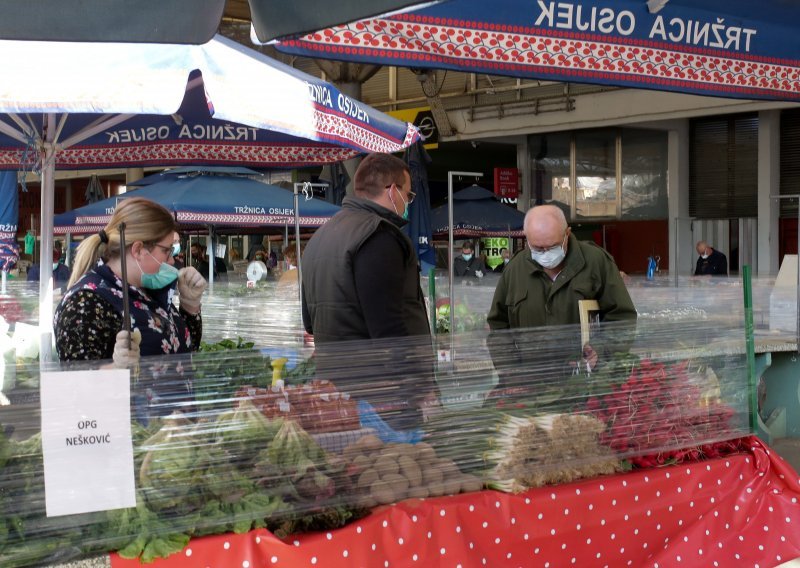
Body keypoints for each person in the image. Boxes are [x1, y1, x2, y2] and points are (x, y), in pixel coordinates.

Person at [301, 152, 437, 431]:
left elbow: (309, 322)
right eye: (408, 196)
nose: (407, 204)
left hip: (334, 393)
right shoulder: (379, 236)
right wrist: (419, 391)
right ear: (392, 191)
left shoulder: (320, 237)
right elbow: (389, 330)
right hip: (383, 399)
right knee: (397, 470)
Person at [487, 204, 637, 384]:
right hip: (530, 387)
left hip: (585, 384)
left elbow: (622, 317)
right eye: (537, 248)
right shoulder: (515, 269)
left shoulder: (596, 262)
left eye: (551, 247)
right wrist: (512, 372)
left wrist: (601, 350)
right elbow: (498, 327)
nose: (544, 254)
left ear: (567, 234)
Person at [54, 197, 207, 369]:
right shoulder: (85, 302)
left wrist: (190, 306)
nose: (171, 261)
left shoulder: (148, 292)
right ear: (138, 250)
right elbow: (73, 386)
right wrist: (115, 368)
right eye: (166, 250)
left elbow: (184, 352)